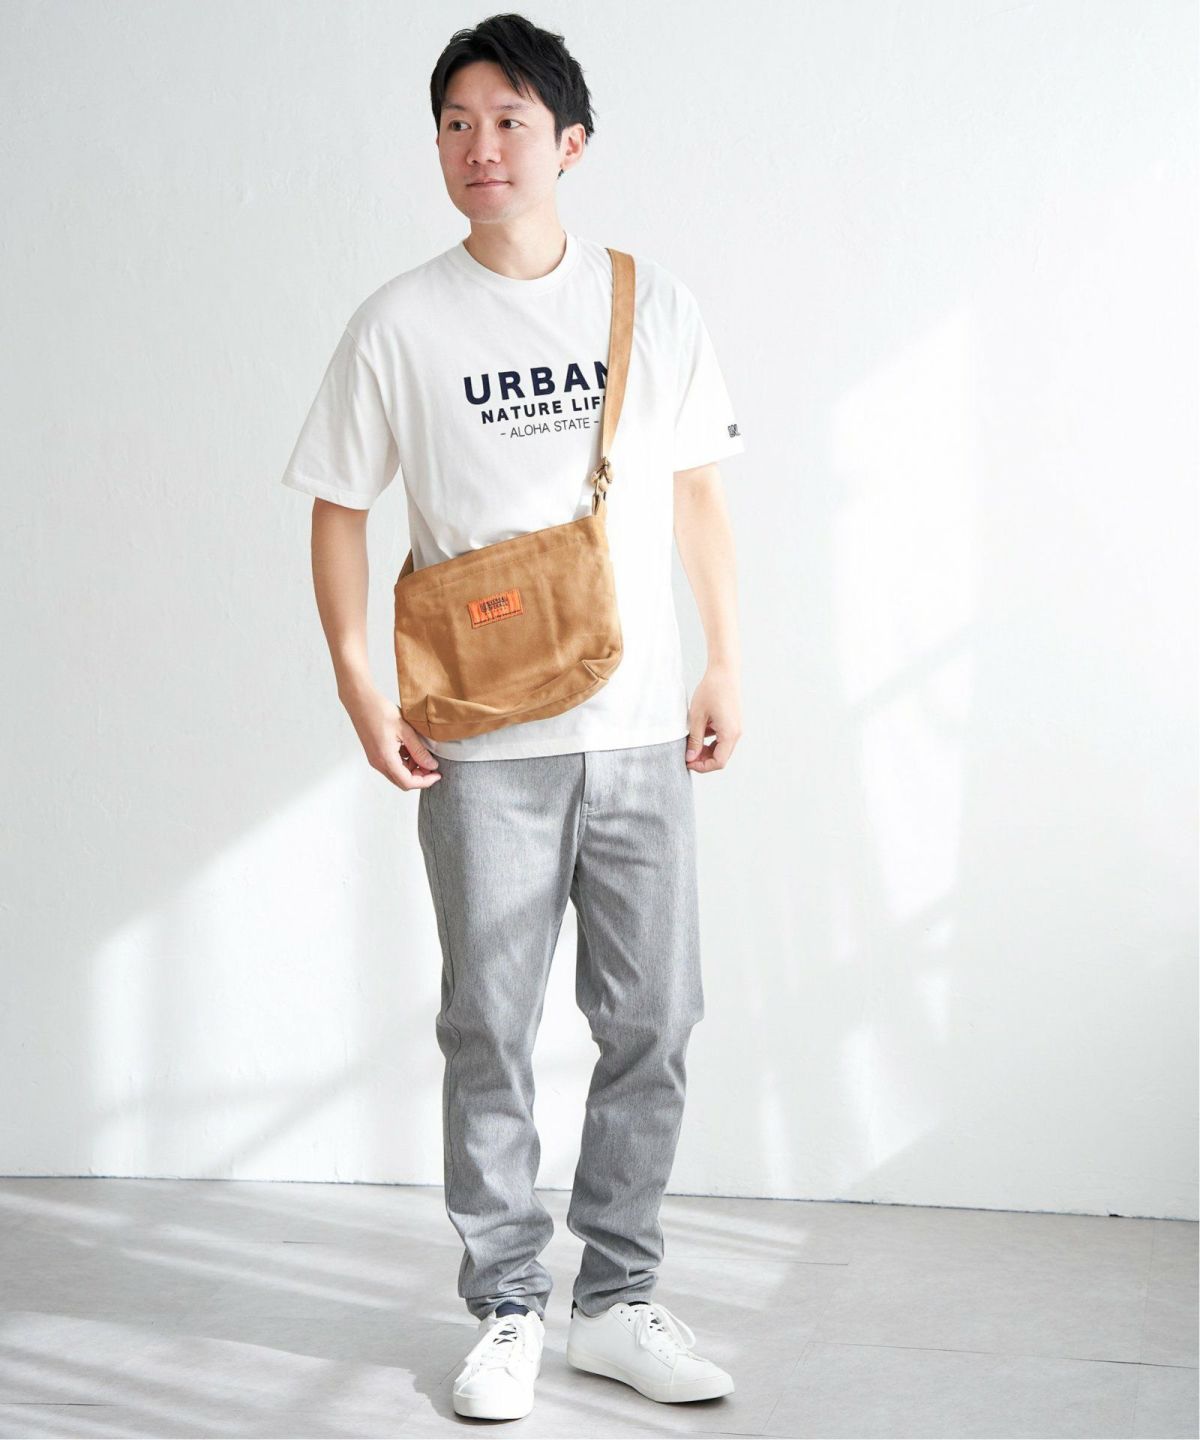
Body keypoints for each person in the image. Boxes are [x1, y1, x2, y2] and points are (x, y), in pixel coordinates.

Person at [280, 11, 745, 1422]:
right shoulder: (400, 322)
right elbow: (338, 506)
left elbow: (698, 492)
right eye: (455, 123)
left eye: (510, 121)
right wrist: (359, 682)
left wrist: (728, 660)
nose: (480, 147)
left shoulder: (649, 303)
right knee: (487, 1025)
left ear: (571, 143)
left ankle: (616, 1301)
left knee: (654, 1018)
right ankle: (506, 1308)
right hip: (478, 741)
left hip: (641, 727)